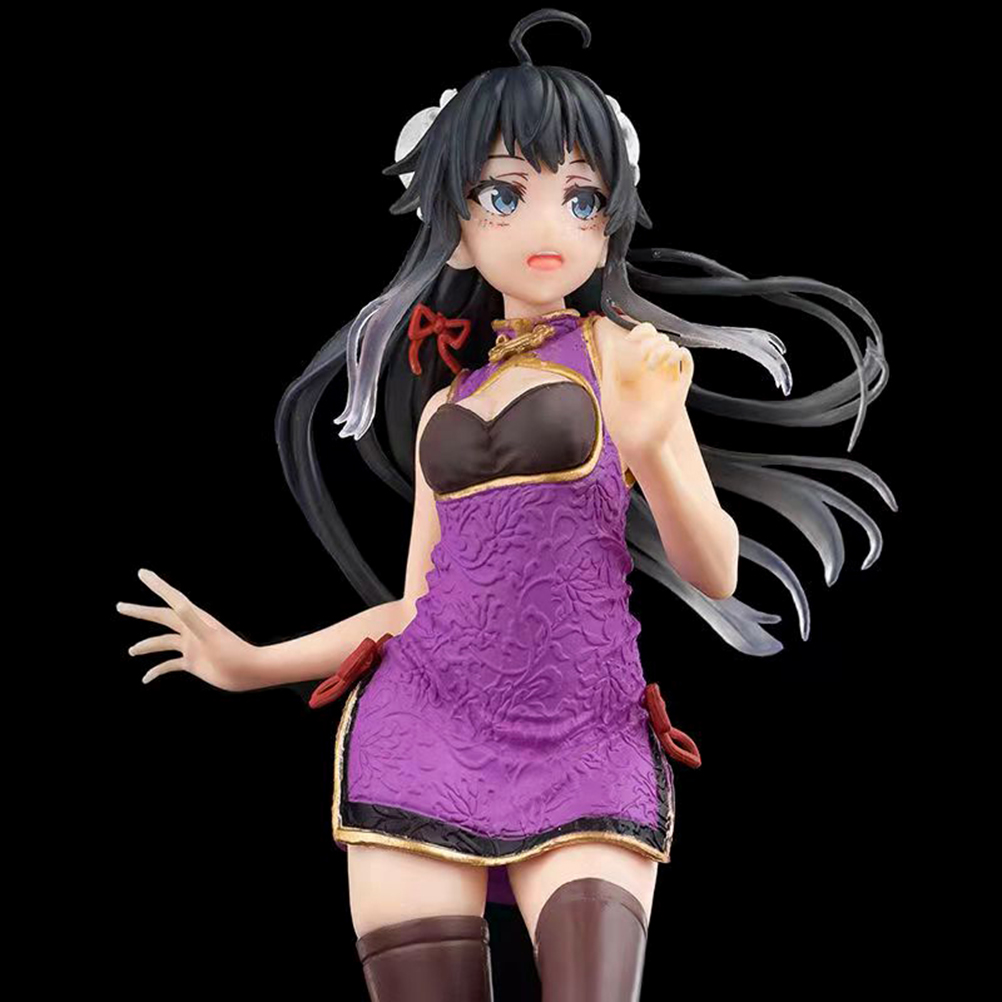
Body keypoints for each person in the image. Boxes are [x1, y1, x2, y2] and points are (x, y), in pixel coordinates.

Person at [117, 9, 896, 1001]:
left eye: (582, 198)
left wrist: (656, 445)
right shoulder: (450, 401)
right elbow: (417, 606)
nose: (547, 227)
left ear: (609, 220)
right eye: (504, 193)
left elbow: (716, 569)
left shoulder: (626, 360)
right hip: (422, 727)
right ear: (456, 222)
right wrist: (251, 663)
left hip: (586, 736)